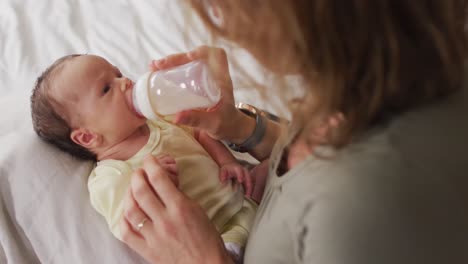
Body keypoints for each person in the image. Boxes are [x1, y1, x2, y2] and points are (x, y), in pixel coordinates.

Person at [119, 1, 468, 264]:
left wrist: (201, 258)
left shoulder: (367, 206)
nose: (219, 17)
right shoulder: (379, 69)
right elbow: (319, 162)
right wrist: (240, 127)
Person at [30, 54, 264, 262]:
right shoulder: (109, 176)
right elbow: (132, 223)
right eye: (106, 88)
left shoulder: (160, 118)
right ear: (88, 137)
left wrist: (227, 161)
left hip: (243, 196)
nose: (125, 82)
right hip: (216, 236)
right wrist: (156, 183)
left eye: (118, 74)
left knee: (277, 166)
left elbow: (200, 132)